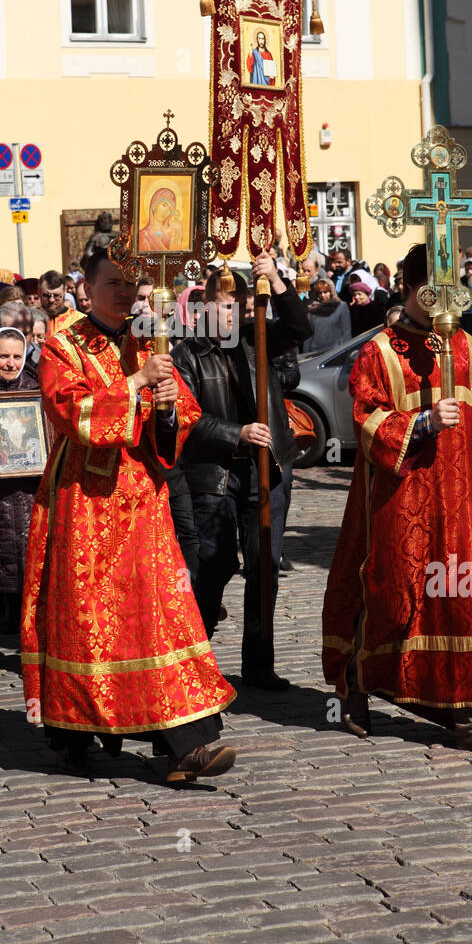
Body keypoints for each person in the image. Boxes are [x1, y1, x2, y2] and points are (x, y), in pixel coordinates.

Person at [21, 250, 236, 782]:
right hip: (85, 503)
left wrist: (166, 405)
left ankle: (188, 744)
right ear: (85, 289)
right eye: (111, 282)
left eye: (130, 283)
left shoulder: (147, 339)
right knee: (87, 620)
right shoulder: (61, 343)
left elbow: (180, 420)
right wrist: (138, 381)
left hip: (142, 500)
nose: (122, 292)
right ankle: (71, 731)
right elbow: (73, 413)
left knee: (159, 615)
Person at [322, 242, 472, 760]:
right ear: (410, 290)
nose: (443, 306)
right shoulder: (379, 350)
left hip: (459, 499)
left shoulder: (465, 346)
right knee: (392, 593)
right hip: (399, 494)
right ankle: (357, 687)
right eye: (429, 294)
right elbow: (365, 420)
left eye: (450, 293)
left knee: (467, 599)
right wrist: (421, 423)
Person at [172, 253, 310, 688]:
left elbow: (301, 328)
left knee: (263, 566)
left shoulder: (259, 338)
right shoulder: (187, 353)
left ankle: (258, 664)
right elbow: (187, 417)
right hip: (214, 473)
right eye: (223, 305)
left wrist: (278, 280)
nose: (231, 314)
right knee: (213, 565)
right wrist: (238, 432)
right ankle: (196, 659)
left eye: (238, 305)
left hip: (268, 470)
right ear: (204, 308)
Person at [0, 327, 42, 653]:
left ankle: (32, 644)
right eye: (3, 356)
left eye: (17, 356)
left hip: (30, 495)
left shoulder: (36, 389)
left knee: (33, 574)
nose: (10, 363)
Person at [303, 279, 351, 353]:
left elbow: (346, 332)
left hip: (334, 351)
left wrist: (345, 352)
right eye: (320, 293)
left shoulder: (341, 306)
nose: (322, 295)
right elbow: (308, 336)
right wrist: (305, 353)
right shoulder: (313, 310)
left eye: (325, 292)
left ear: (331, 291)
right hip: (315, 351)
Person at [40, 270, 80, 334]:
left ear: (65, 291)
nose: (51, 300)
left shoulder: (78, 320)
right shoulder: (31, 319)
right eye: (46, 295)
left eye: (56, 295)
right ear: (39, 292)